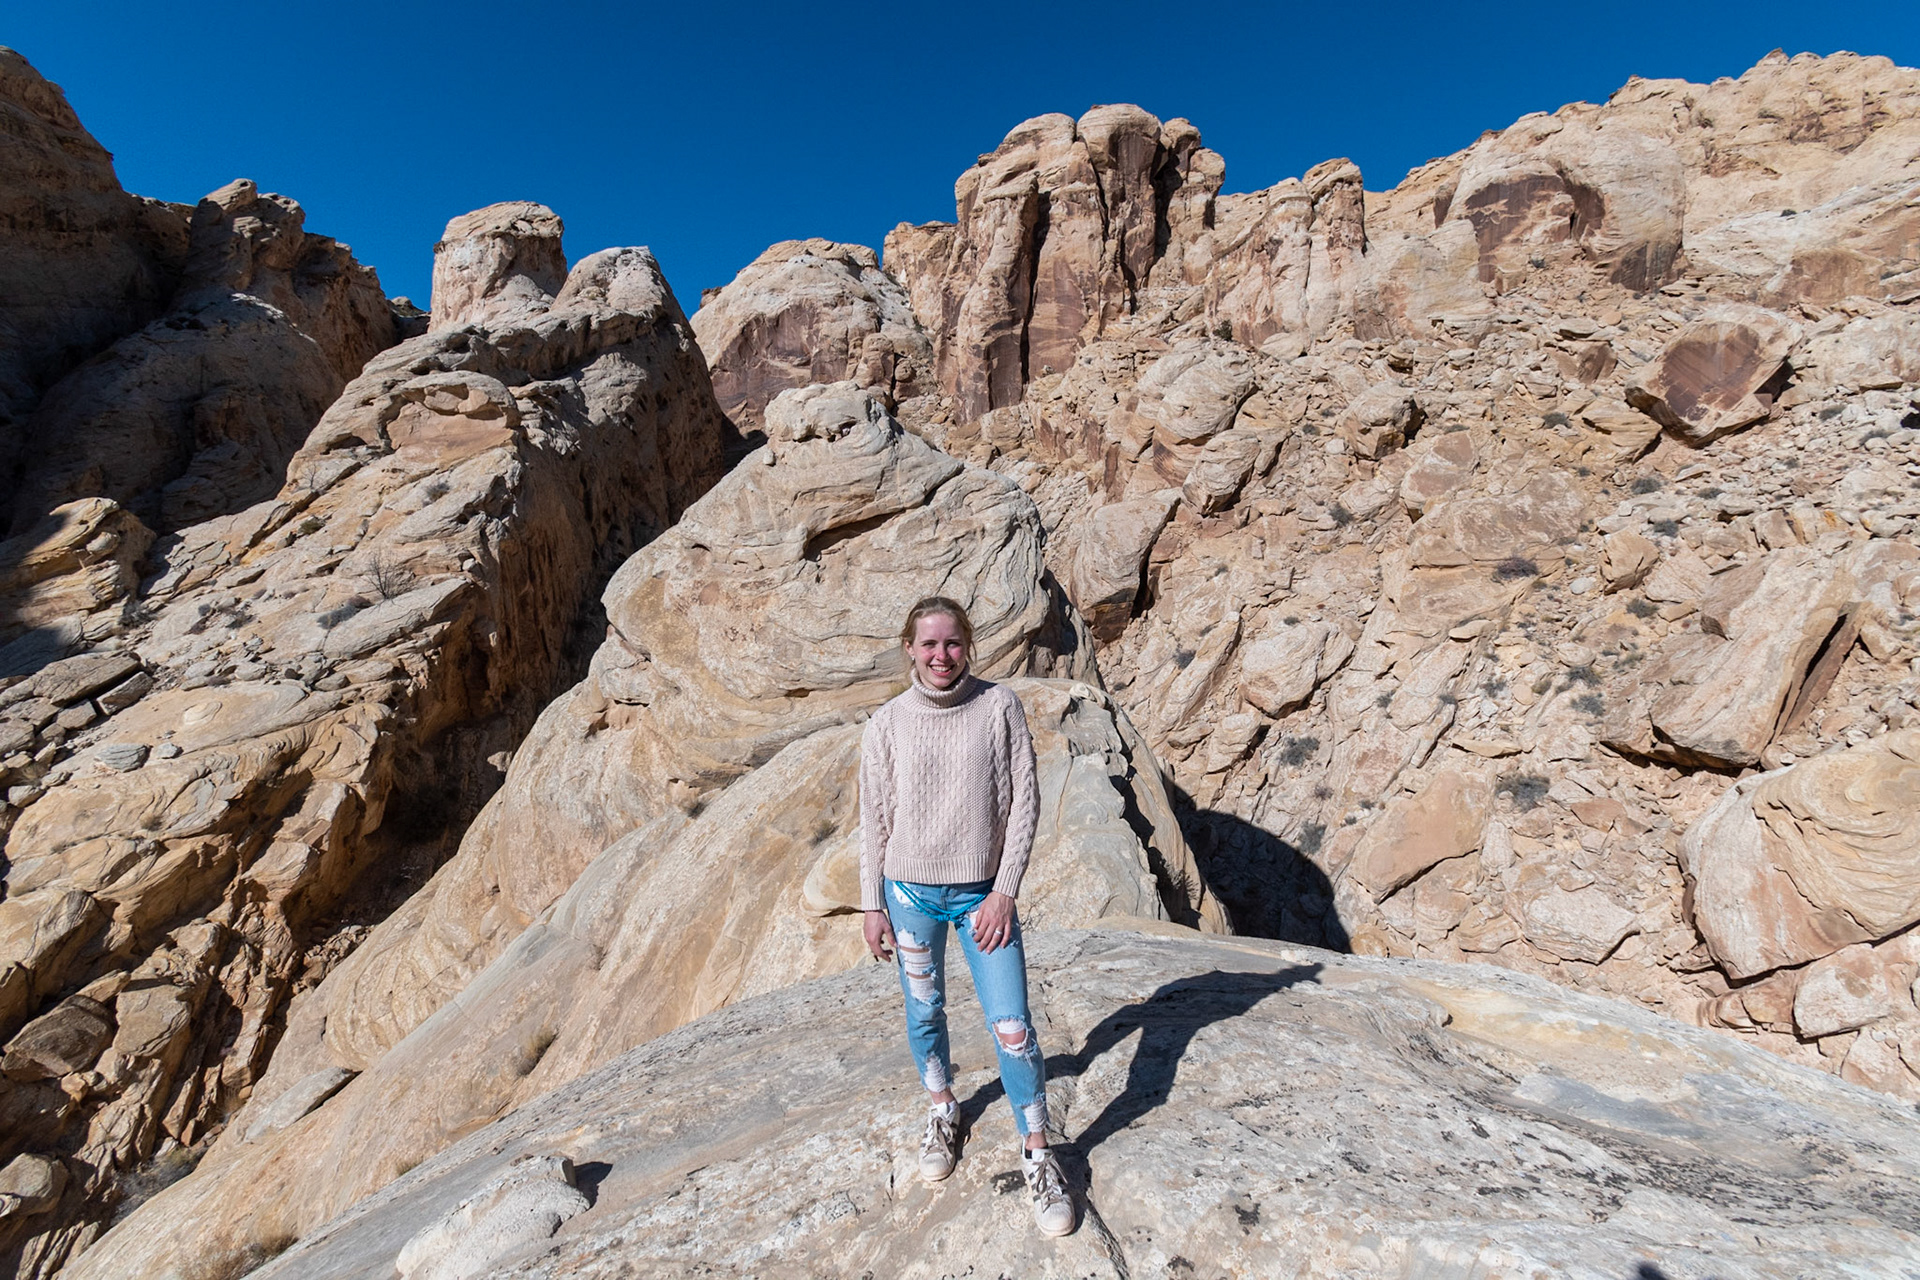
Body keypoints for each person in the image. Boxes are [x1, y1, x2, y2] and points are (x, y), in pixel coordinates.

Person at [860, 596, 1075, 1238]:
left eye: (952, 643)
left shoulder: (998, 706)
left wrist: (1005, 891)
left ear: (968, 646)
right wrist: (872, 902)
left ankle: (1038, 1151)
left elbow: (1025, 802)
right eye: (928, 644)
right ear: (909, 648)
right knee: (924, 1011)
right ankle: (942, 1108)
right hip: (909, 895)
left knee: (1013, 1027)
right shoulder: (888, 723)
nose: (941, 656)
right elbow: (873, 818)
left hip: (984, 897)